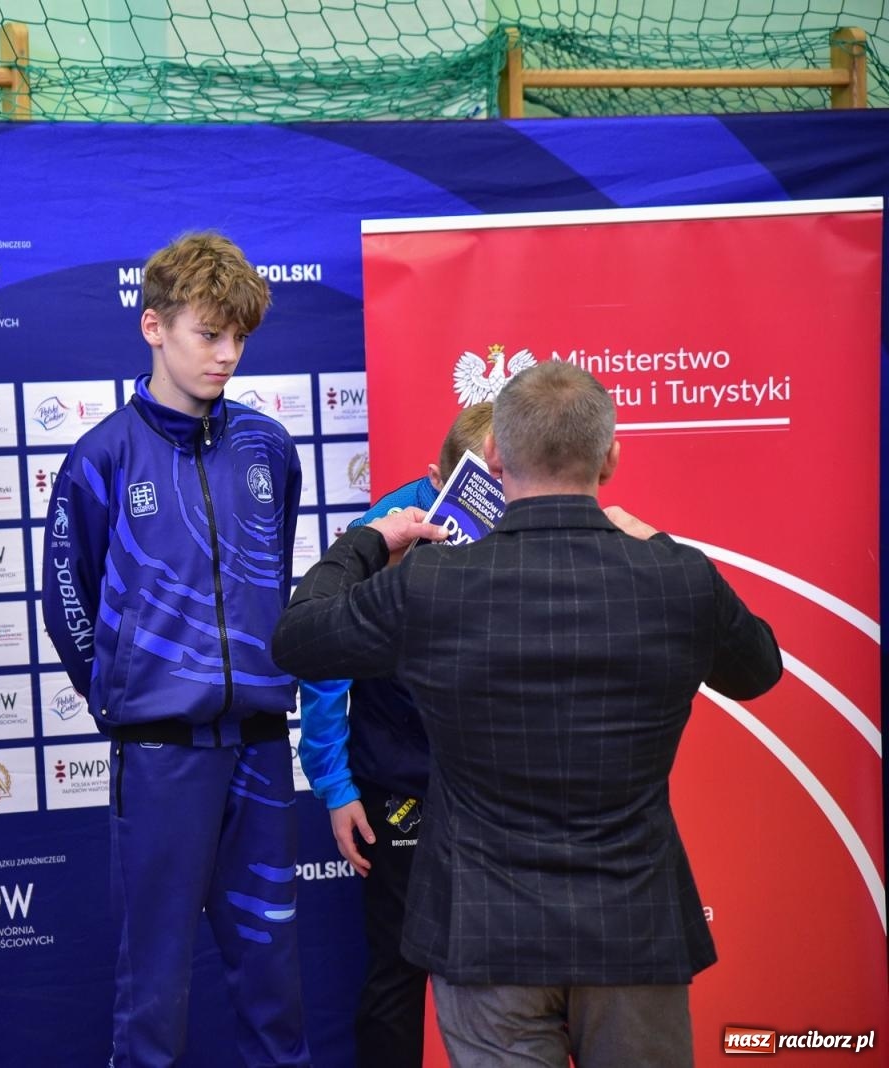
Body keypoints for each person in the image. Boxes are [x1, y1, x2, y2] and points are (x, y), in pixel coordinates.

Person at [273, 359, 782, 1067]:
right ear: (611, 455)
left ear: (494, 459)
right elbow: (760, 670)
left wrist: (369, 541)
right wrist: (663, 548)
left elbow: (297, 640)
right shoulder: (677, 578)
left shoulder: (432, 584)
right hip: (634, 932)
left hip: (487, 941)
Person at [42, 232, 310, 1067]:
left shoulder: (269, 449)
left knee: (275, 982)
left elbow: (272, 572)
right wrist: (124, 697)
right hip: (160, 757)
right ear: (154, 327)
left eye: (238, 338)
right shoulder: (102, 458)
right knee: (154, 990)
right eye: (209, 334)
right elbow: (67, 600)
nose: (226, 355)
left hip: (262, 753)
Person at [297, 400, 492, 1067]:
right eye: (476, 485)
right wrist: (335, 785)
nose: (490, 503)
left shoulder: (529, 525)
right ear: (436, 476)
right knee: (399, 967)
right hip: (400, 782)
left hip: (499, 785)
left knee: (507, 971)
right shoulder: (381, 533)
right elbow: (323, 668)